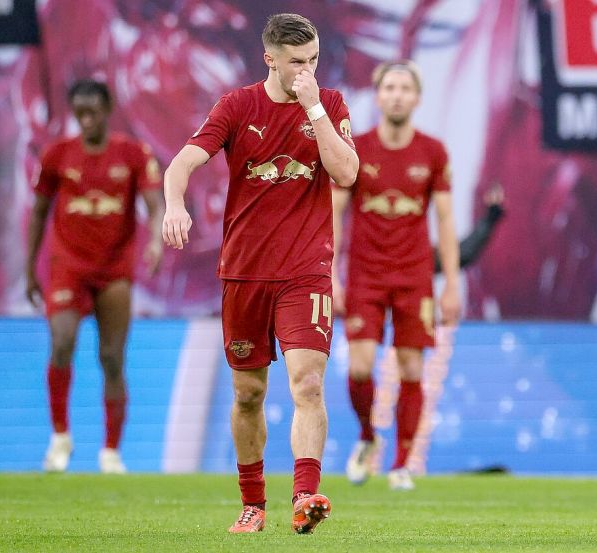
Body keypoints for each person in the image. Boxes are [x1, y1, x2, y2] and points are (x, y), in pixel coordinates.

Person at [162, 13, 358, 534]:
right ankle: (252, 505)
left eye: (313, 60)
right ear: (269, 58)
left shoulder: (330, 104)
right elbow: (180, 164)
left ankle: (304, 497)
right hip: (245, 273)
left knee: (308, 384)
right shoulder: (237, 106)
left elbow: (345, 173)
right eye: (297, 62)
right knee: (248, 394)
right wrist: (174, 205)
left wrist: (313, 104)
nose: (307, 70)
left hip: (306, 271)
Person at [331, 60, 460, 491]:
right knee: (362, 365)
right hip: (365, 274)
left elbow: (444, 222)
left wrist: (451, 286)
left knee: (410, 368)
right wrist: (329, 274)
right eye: (390, 87)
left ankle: (403, 463)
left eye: (406, 87)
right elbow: (333, 213)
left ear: (417, 97)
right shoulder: (356, 149)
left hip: (414, 276)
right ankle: (367, 437)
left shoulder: (433, 152)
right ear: (378, 94)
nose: (398, 94)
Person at [26, 79, 164, 474]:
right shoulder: (57, 155)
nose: (85, 120)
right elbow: (38, 212)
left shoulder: (133, 153)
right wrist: (29, 269)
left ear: (107, 110)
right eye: (79, 113)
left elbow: (154, 204)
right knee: (62, 343)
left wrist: (155, 240)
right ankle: (59, 437)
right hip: (67, 266)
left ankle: (110, 451)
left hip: (115, 270)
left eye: (92, 112)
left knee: (111, 359)